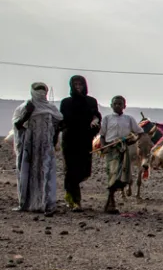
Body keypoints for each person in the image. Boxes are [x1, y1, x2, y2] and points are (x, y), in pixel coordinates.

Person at [12, 82, 61, 214]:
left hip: (45, 147)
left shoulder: (51, 108)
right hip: (29, 147)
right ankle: (26, 202)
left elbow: (58, 125)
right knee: (28, 173)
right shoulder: (24, 107)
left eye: (43, 90)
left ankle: (45, 203)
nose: (41, 93)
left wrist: (54, 140)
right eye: (38, 90)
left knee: (45, 172)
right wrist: (27, 114)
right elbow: (17, 126)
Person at [59, 74, 101, 209]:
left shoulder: (91, 101)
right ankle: (74, 200)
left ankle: (72, 196)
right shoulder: (66, 102)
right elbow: (63, 121)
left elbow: (96, 116)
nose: (78, 87)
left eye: (80, 85)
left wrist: (95, 122)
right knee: (71, 170)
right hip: (70, 140)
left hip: (85, 139)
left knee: (84, 171)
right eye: (75, 85)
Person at [99, 95, 142, 214]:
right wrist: (103, 147)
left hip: (123, 150)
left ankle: (110, 200)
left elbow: (139, 133)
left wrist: (131, 140)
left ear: (124, 106)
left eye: (120, 104)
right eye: (115, 104)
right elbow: (102, 135)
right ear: (111, 105)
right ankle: (110, 201)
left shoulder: (129, 119)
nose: (117, 106)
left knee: (121, 175)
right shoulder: (107, 119)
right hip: (111, 149)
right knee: (112, 174)